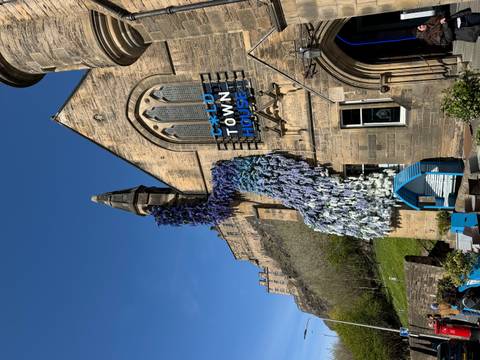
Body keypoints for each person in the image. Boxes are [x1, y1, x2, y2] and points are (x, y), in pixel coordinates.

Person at [415, 8, 480, 46]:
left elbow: (443, 12)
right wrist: (444, 24)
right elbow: (449, 39)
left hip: (463, 18)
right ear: (423, 32)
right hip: (466, 30)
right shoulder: (433, 39)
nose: (421, 25)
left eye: (420, 25)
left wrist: (442, 16)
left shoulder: (430, 21)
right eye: (420, 27)